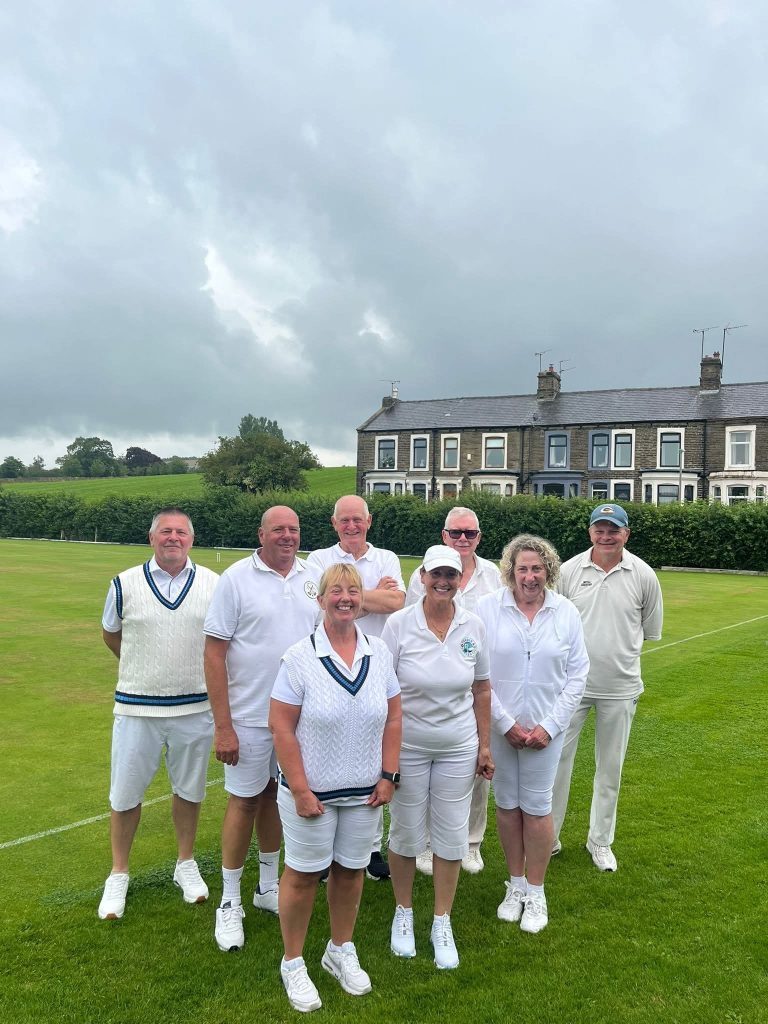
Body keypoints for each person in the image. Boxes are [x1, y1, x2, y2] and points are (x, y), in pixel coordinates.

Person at [269, 564, 402, 1013]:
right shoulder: (299, 657)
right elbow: (281, 727)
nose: (345, 598)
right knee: (304, 874)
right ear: (321, 599)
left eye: (353, 591)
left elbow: (394, 717)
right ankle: (293, 961)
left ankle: (339, 949)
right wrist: (301, 790)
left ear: (361, 599)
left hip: (366, 791)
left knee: (351, 870)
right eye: (336, 591)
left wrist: (388, 775)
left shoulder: (378, 651)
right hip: (312, 795)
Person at [204, 506, 321, 951]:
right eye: (278, 529)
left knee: (277, 797)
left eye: (294, 529)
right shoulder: (235, 578)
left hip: (297, 721)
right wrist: (223, 726)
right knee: (245, 801)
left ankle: (267, 886)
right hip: (249, 719)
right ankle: (229, 900)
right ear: (261, 534)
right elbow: (214, 653)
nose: (287, 536)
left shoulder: (313, 577)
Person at [98, 508, 219, 920]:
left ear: (191, 539)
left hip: (195, 707)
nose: (173, 538)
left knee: (190, 790)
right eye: (165, 531)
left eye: (181, 532)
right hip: (136, 707)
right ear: (151, 538)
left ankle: (185, 863)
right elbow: (111, 634)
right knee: (125, 794)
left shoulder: (213, 584)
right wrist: (142, 667)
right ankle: (119, 872)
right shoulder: (123, 583)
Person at [381, 545, 493, 970]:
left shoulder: (473, 624)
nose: (443, 582)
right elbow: (384, 689)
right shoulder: (398, 624)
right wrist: (386, 753)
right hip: (408, 747)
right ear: (423, 577)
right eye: (436, 575)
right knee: (406, 832)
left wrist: (485, 746)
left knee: (451, 835)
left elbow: (481, 687)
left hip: (458, 747)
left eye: (451, 575)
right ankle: (404, 912)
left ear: (459, 580)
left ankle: (441, 920)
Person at [476, 534, 588, 934]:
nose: (529, 576)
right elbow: (479, 673)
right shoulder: (488, 609)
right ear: (510, 571)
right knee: (507, 806)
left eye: (537, 568)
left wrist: (550, 726)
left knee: (538, 809)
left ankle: (537, 892)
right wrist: (504, 724)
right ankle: (516, 884)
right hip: (502, 729)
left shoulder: (565, 612)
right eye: (522, 568)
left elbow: (577, 675)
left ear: (548, 571)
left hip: (546, 732)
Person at [551, 503, 663, 872]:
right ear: (590, 532)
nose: (606, 536)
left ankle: (600, 841)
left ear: (625, 533)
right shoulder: (568, 571)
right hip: (571, 686)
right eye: (599, 529)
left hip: (620, 686)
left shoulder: (643, 575)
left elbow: (649, 631)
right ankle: (548, 838)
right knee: (556, 764)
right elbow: (554, 626)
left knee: (610, 769)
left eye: (613, 530)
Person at [306, 495, 406, 880]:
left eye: (357, 520)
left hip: (374, 666)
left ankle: (370, 848)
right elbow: (322, 607)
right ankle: (324, 849)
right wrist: (370, 596)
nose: (351, 526)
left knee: (373, 753)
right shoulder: (319, 559)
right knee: (330, 751)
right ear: (334, 524)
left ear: (369, 521)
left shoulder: (387, 557)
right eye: (344, 520)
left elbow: (396, 601)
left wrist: (346, 598)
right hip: (329, 667)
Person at [405, 506, 501, 876]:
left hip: (476, 682)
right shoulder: (422, 574)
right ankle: (428, 843)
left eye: (470, 533)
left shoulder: (493, 575)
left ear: (479, 537)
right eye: (456, 532)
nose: (463, 539)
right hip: (426, 689)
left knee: (476, 767)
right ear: (444, 535)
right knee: (427, 775)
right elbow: (410, 624)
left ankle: (471, 843)